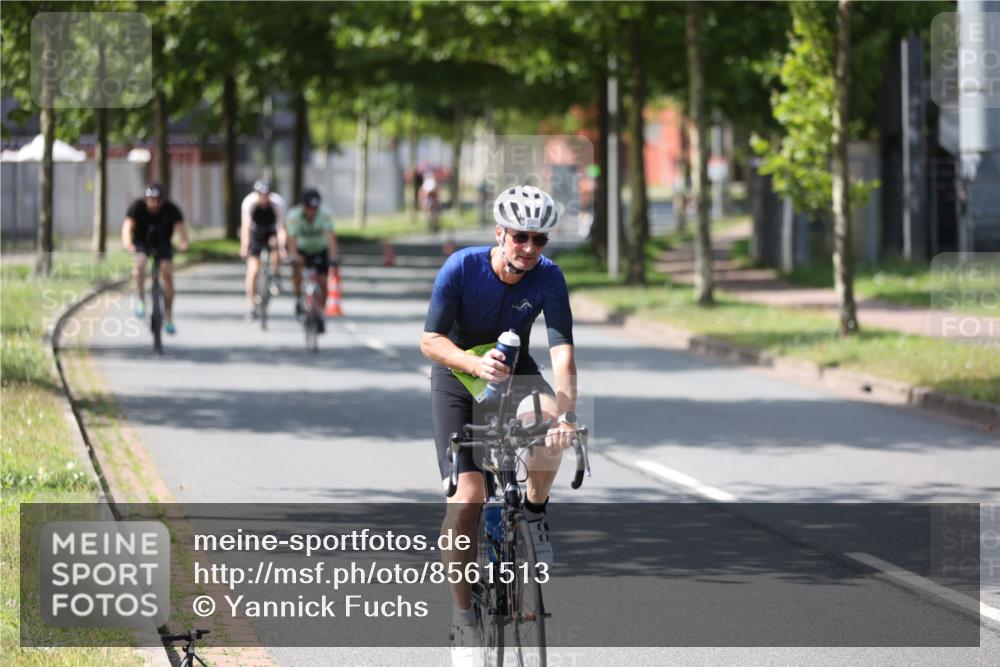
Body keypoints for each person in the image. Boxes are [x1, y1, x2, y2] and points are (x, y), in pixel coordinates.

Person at [419, 185, 577, 666]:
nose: (529, 248)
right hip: (459, 373)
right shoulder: (462, 267)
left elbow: (562, 352)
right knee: (466, 499)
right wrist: (472, 363)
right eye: (520, 236)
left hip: (514, 370)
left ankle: (534, 512)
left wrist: (567, 414)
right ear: (500, 233)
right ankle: (464, 620)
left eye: (539, 239)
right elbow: (430, 340)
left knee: (549, 426)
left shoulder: (548, 276)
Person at [121, 183, 189, 334]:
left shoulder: (171, 209)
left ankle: (169, 318)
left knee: (167, 272)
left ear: (162, 199)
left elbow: (181, 229)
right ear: (146, 199)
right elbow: (127, 227)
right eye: (151, 199)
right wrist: (128, 244)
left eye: (157, 200)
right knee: (139, 264)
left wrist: (183, 243)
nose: (154, 203)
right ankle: (140, 300)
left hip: (163, 244)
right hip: (142, 243)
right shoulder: (137, 207)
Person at [285, 188, 339, 329]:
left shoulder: (325, 214)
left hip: (320, 249)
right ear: (303, 206)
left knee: (323, 281)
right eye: (309, 207)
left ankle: (320, 312)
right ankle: (298, 298)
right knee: (297, 271)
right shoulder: (294, 216)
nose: (312, 211)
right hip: (302, 249)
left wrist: (333, 257)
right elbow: (291, 238)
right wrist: (293, 256)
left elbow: (331, 237)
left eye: (314, 208)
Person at [240, 179, 287, 320]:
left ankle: (276, 276)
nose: (264, 198)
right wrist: (244, 246)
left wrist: (282, 247)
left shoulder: (278, 203)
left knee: (276, 248)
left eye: (266, 194)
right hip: (256, 232)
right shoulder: (249, 203)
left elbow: (280, 228)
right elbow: (246, 226)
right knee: (253, 271)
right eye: (261, 194)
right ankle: (252, 306)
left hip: (271, 231)